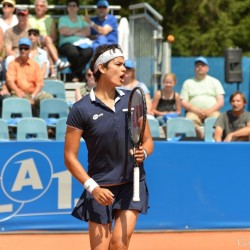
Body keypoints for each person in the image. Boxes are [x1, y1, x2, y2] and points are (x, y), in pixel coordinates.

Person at [64, 44, 154, 250]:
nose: (124, 70)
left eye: (125, 66)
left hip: (131, 184)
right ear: (102, 68)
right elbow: (69, 157)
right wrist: (93, 188)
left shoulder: (133, 100)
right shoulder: (81, 109)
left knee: (119, 244)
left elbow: (148, 140)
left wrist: (144, 153)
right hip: (99, 186)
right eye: (119, 64)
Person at [180, 56, 225, 138]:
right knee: (189, 120)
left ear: (207, 68)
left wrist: (209, 111)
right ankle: (198, 136)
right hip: (193, 113)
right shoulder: (188, 83)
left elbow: (220, 101)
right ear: (194, 69)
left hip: (212, 112)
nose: (200, 67)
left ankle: (214, 142)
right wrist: (195, 110)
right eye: (197, 65)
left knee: (217, 118)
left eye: (202, 65)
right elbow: (183, 102)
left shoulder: (215, 82)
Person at [6, 37, 53, 116]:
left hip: (33, 93)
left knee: (48, 98)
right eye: (21, 48)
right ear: (18, 49)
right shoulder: (13, 64)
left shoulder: (35, 65)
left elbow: (40, 83)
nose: (23, 50)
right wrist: (18, 91)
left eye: (26, 48)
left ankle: (49, 125)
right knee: (15, 100)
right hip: (19, 93)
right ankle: (16, 125)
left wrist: (33, 96)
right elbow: (10, 81)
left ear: (30, 49)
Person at [29, 0, 70, 77]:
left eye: (41, 6)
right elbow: (28, 35)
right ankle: (57, 63)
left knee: (46, 48)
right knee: (47, 40)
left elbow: (53, 37)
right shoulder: (30, 20)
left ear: (46, 8)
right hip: (33, 43)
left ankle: (51, 73)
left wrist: (44, 39)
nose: (38, 8)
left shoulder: (50, 20)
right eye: (37, 6)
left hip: (46, 44)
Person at [58, 0, 93, 82]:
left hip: (81, 44)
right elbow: (63, 31)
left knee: (89, 52)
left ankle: (74, 74)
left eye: (74, 5)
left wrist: (70, 31)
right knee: (73, 53)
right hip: (66, 44)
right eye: (70, 5)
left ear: (77, 8)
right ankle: (78, 75)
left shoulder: (81, 19)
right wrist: (78, 29)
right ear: (67, 8)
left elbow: (87, 32)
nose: (72, 7)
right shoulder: (63, 19)